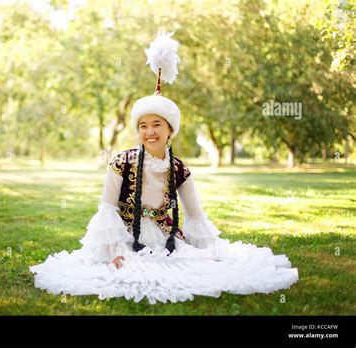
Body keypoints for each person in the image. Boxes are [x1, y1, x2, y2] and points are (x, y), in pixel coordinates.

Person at [30, 32, 298, 304]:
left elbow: (195, 216)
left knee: (197, 268)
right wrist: (114, 252)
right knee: (119, 272)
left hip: (163, 237)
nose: (149, 132)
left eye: (157, 124)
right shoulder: (121, 163)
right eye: (143, 126)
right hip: (123, 236)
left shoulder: (179, 169)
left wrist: (208, 251)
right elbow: (107, 210)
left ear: (170, 130)